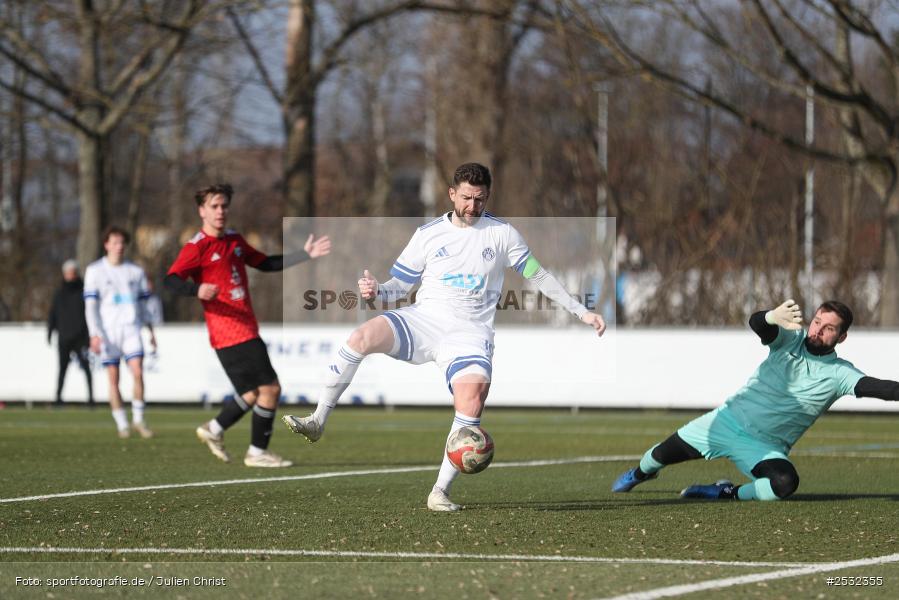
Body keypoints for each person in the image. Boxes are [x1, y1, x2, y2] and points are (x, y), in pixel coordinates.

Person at [282, 163, 607, 511]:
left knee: (472, 399)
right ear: (452, 194)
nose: (472, 206)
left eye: (479, 199)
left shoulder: (502, 234)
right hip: (425, 319)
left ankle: (439, 492)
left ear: (488, 197)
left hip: (470, 333)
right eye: (466, 198)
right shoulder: (427, 234)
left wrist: (580, 310)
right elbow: (398, 289)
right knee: (362, 336)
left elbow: (538, 276)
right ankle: (318, 420)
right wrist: (376, 291)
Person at [611, 299, 899, 501]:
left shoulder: (840, 374)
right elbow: (758, 323)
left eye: (829, 328)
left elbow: (884, 389)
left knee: (784, 484)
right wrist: (772, 317)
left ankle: (726, 493)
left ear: (842, 337)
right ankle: (639, 474)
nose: (818, 330)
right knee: (654, 459)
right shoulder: (790, 339)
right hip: (724, 422)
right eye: (817, 322)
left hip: (764, 447)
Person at [165, 183, 331, 468]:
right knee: (271, 389)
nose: (220, 211)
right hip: (229, 330)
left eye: (224, 205)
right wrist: (196, 290)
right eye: (214, 206)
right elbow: (169, 280)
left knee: (252, 394)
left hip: (243, 327)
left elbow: (264, 263)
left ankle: (214, 429)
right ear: (201, 210)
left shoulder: (233, 240)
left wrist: (304, 254)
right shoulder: (196, 247)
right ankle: (257, 452)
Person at [84, 227, 157, 438]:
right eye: (114, 242)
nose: (119, 246)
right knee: (113, 379)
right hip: (108, 332)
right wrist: (94, 334)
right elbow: (91, 306)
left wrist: (150, 331)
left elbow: (144, 306)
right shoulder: (95, 271)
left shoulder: (135, 271)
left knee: (138, 372)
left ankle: (139, 420)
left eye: (122, 242)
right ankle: (122, 424)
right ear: (106, 244)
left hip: (131, 328)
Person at [48, 259, 94, 407]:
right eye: (68, 273)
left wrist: (89, 335)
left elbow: (90, 313)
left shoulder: (83, 291)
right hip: (64, 337)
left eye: (73, 273)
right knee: (62, 369)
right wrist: (50, 331)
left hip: (80, 337)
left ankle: (91, 399)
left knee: (86, 368)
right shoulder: (59, 293)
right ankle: (58, 398)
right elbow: (53, 314)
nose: (70, 276)